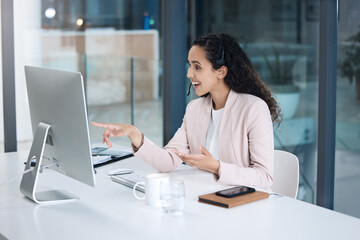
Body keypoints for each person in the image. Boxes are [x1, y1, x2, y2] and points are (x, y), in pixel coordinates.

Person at [91, 33, 281, 189]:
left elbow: (264, 177)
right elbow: (168, 161)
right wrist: (135, 135)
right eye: (190, 65)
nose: (189, 73)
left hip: (243, 207)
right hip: (204, 199)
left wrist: (216, 167)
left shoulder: (253, 108)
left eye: (197, 67)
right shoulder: (195, 109)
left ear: (221, 72)